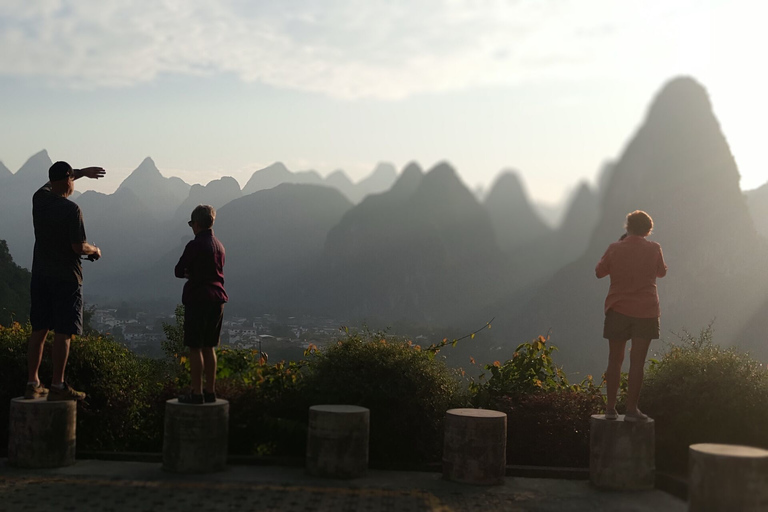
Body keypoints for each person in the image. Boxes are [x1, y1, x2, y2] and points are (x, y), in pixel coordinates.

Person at [26, 161, 105, 401]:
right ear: (69, 180)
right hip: (66, 278)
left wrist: (80, 173)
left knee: (39, 329)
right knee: (64, 332)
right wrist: (94, 250)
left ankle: (32, 382)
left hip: (40, 275)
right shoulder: (72, 210)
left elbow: (50, 184)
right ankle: (58, 384)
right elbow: (77, 246)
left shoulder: (38, 199)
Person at [596, 210, 667, 421]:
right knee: (637, 362)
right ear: (648, 230)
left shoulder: (615, 248)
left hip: (618, 309)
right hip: (646, 311)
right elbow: (661, 272)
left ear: (627, 227)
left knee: (614, 359)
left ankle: (610, 408)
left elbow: (599, 272)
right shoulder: (654, 248)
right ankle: (631, 410)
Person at [174, 205, 228, 404]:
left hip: (198, 298)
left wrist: (190, 272)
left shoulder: (195, 245)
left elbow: (179, 270)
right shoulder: (220, 246)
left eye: (191, 224)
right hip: (218, 299)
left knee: (195, 347)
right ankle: (210, 391)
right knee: (210, 346)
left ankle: (196, 393)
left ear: (196, 224)